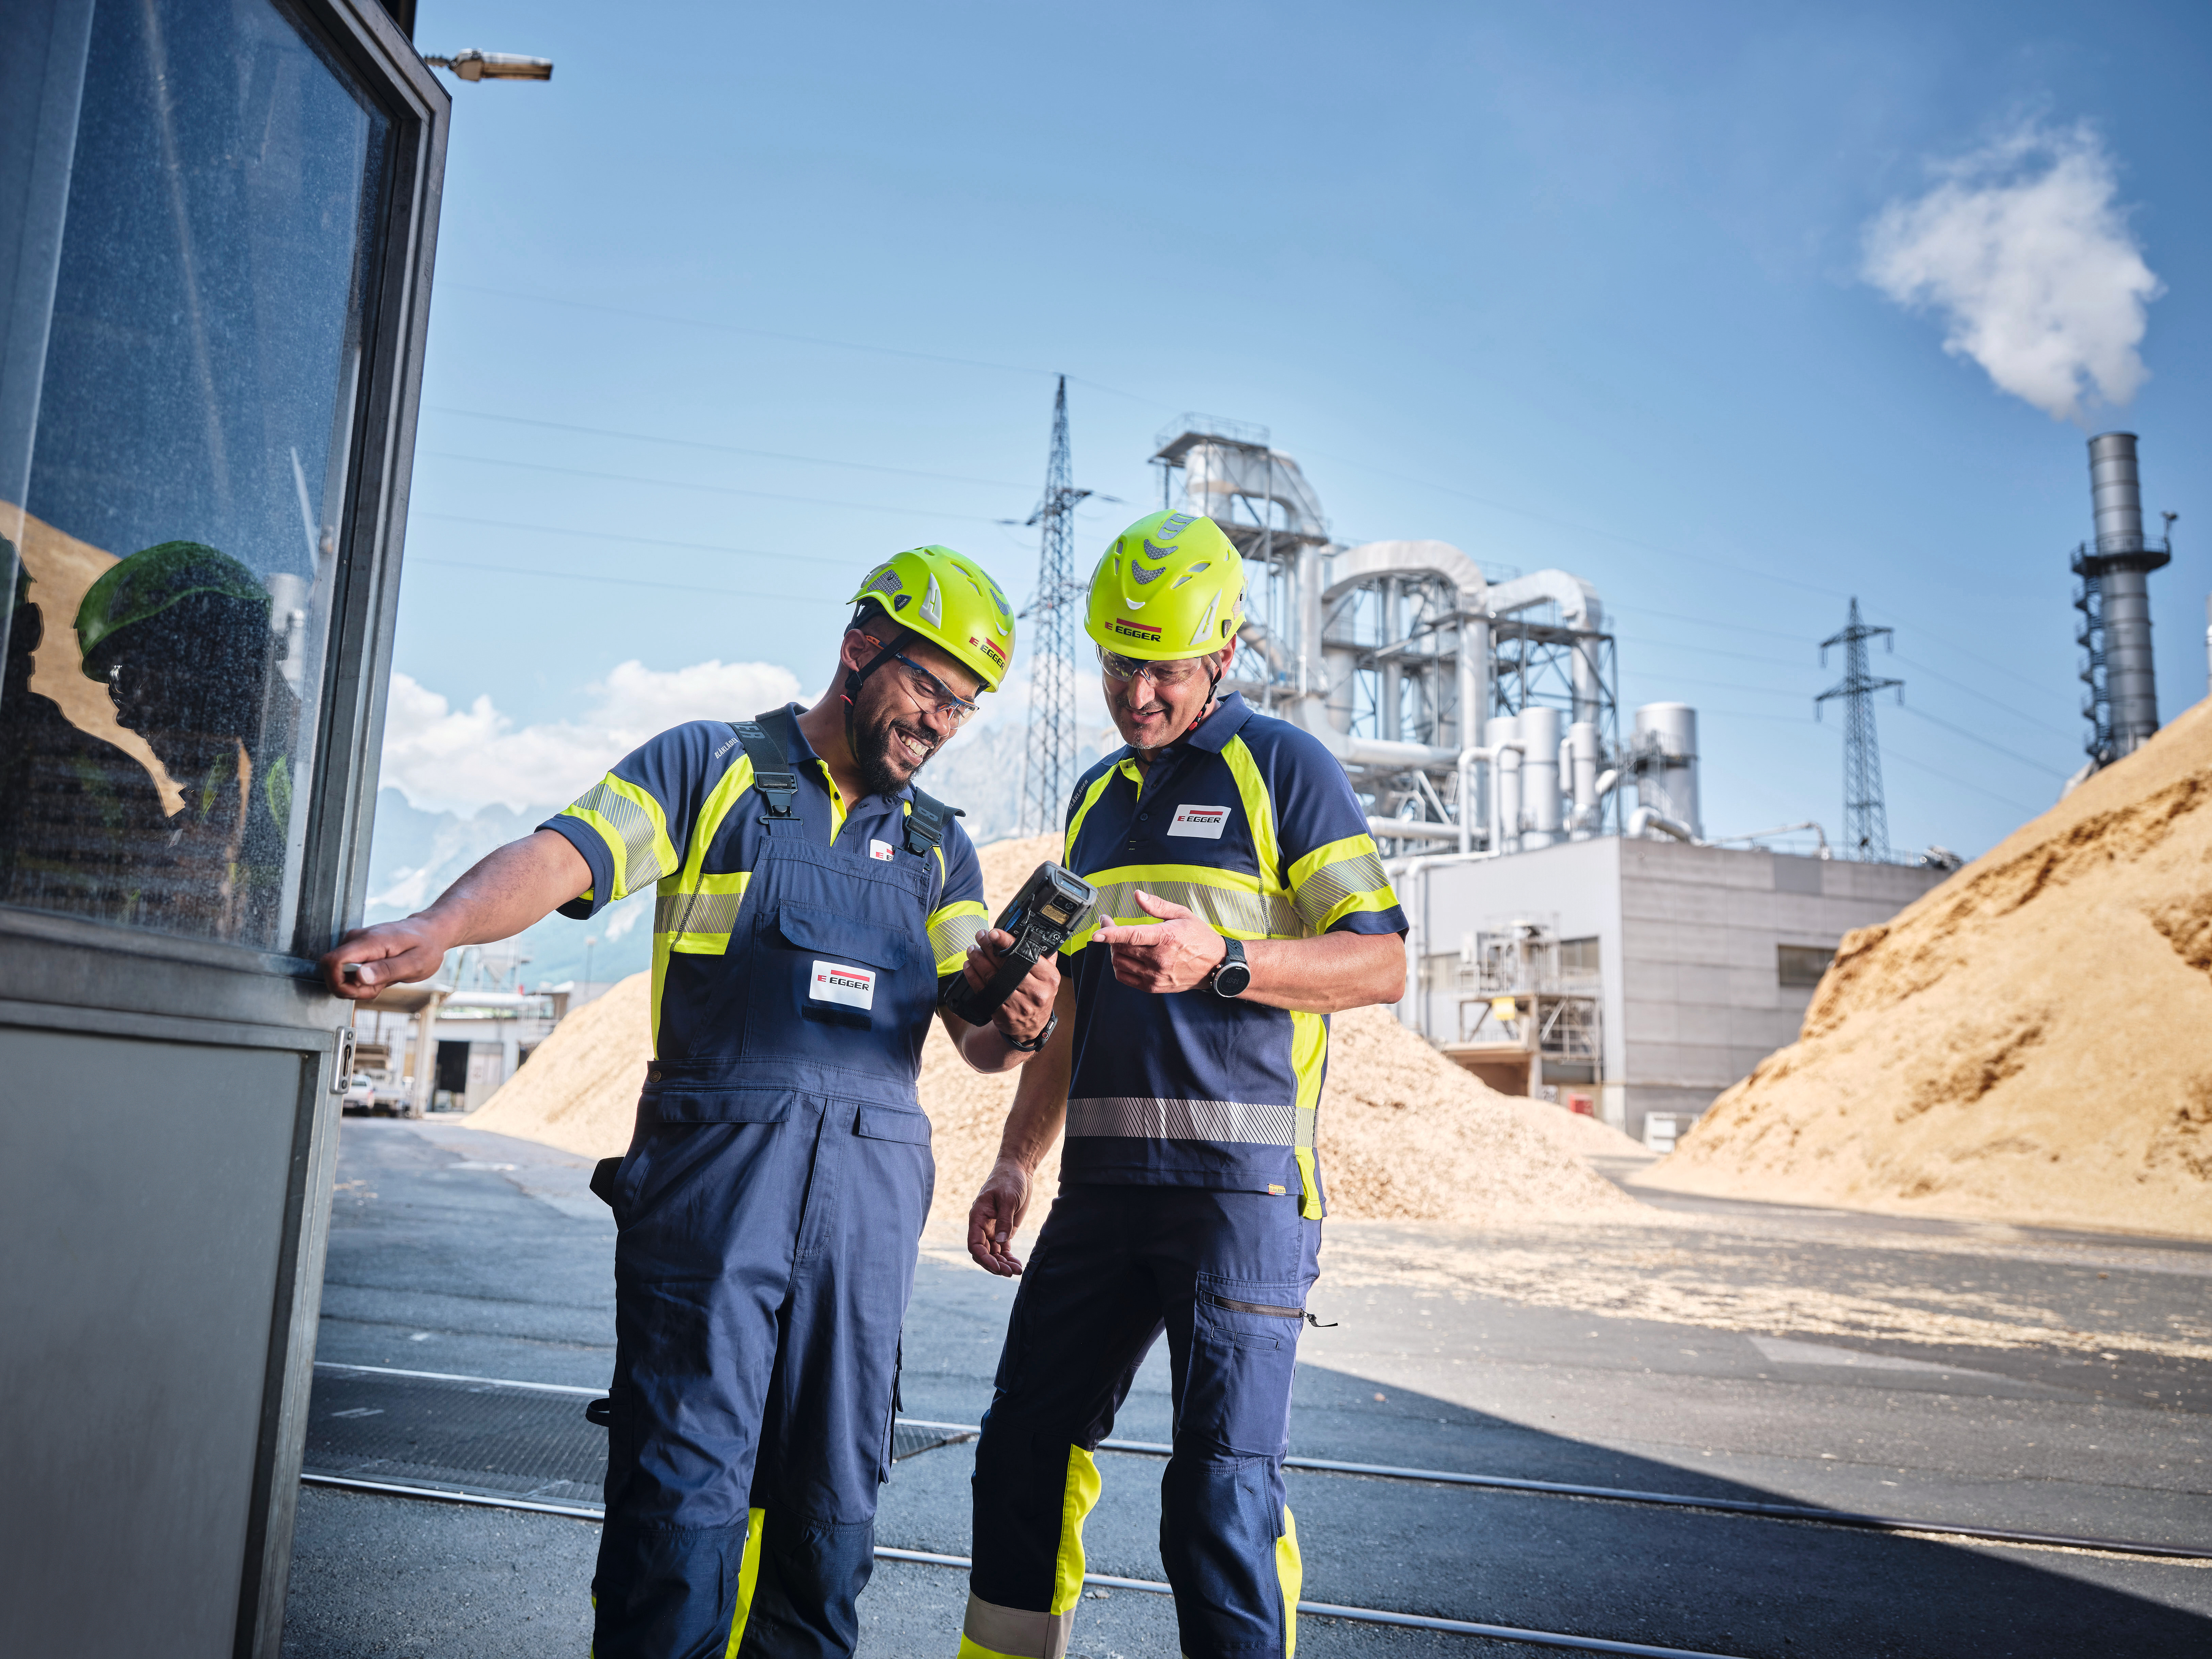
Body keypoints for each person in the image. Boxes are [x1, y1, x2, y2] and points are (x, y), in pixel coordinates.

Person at [323, 545, 1057, 1659]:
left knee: (829, 1529)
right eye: (929, 686)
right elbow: (559, 855)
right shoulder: (709, 767)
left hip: (862, 1222)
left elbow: (976, 1034)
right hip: (717, 1202)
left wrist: (1020, 1008)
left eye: (964, 704)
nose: (942, 722)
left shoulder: (938, 845)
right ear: (861, 648)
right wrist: (439, 925)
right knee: (678, 1511)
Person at [956, 511, 1409, 1659]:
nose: (1138, 690)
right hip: (1100, 1196)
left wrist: (1232, 959)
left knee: (1214, 1500)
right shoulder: (1097, 795)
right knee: (1022, 1452)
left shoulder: (1286, 769)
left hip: (1240, 1198)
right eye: (1118, 660)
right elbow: (1071, 1015)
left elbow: (1384, 959)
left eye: (1163, 664)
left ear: (1227, 651)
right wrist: (1017, 1158)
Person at [73, 539, 295, 942]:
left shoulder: (303, 782)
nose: (125, 716)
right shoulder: (230, 781)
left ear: (200, 651)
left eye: (126, 681)